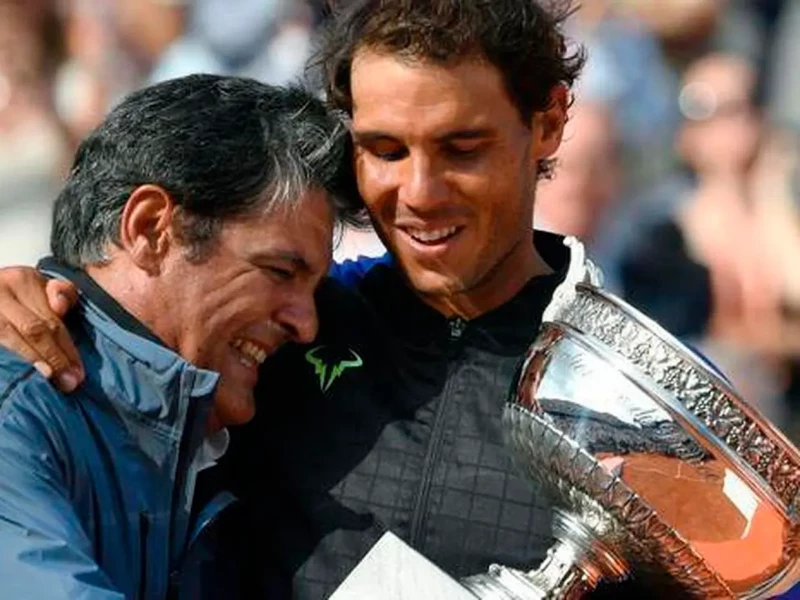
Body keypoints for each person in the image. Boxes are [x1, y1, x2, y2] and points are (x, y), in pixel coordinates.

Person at [0, 2, 665, 598]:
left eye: (463, 148)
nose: (420, 191)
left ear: (548, 124)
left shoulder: (642, 402)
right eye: (384, 150)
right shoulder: (266, 346)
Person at [0, 74, 360, 599]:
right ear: (149, 229)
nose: (306, 326)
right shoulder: (18, 406)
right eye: (281, 271)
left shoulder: (210, 429)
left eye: (313, 288)